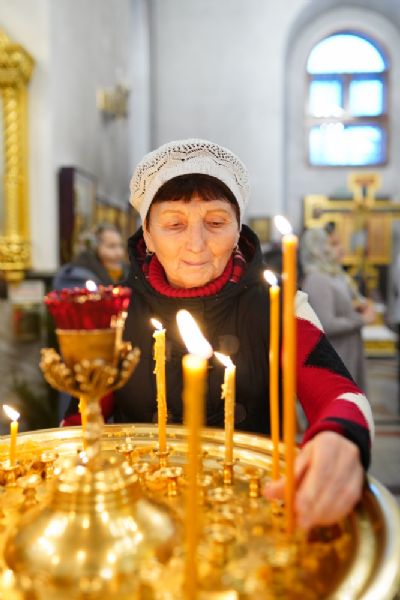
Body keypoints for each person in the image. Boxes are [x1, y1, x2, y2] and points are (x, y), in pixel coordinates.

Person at [64, 139, 373, 531]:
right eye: (174, 224)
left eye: (215, 223)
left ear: (237, 228)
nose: (196, 245)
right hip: (137, 515)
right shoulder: (115, 313)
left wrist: (341, 438)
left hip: (252, 511)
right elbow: (80, 416)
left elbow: (338, 393)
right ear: (148, 235)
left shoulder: (280, 305)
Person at [300, 227, 375, 391]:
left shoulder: (332, 275)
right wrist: (361, 319)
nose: (341, 249)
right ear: (317, 248)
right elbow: (326, 323)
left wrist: (355, 308)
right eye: (333, 244)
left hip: (347, 350)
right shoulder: (317, 279)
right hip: (337, 355)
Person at [53, 223, 128, 289]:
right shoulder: (74, 278)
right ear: (93, 249)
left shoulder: (126, 273)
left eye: (121, 246)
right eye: (111, 246)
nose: (120, 253)